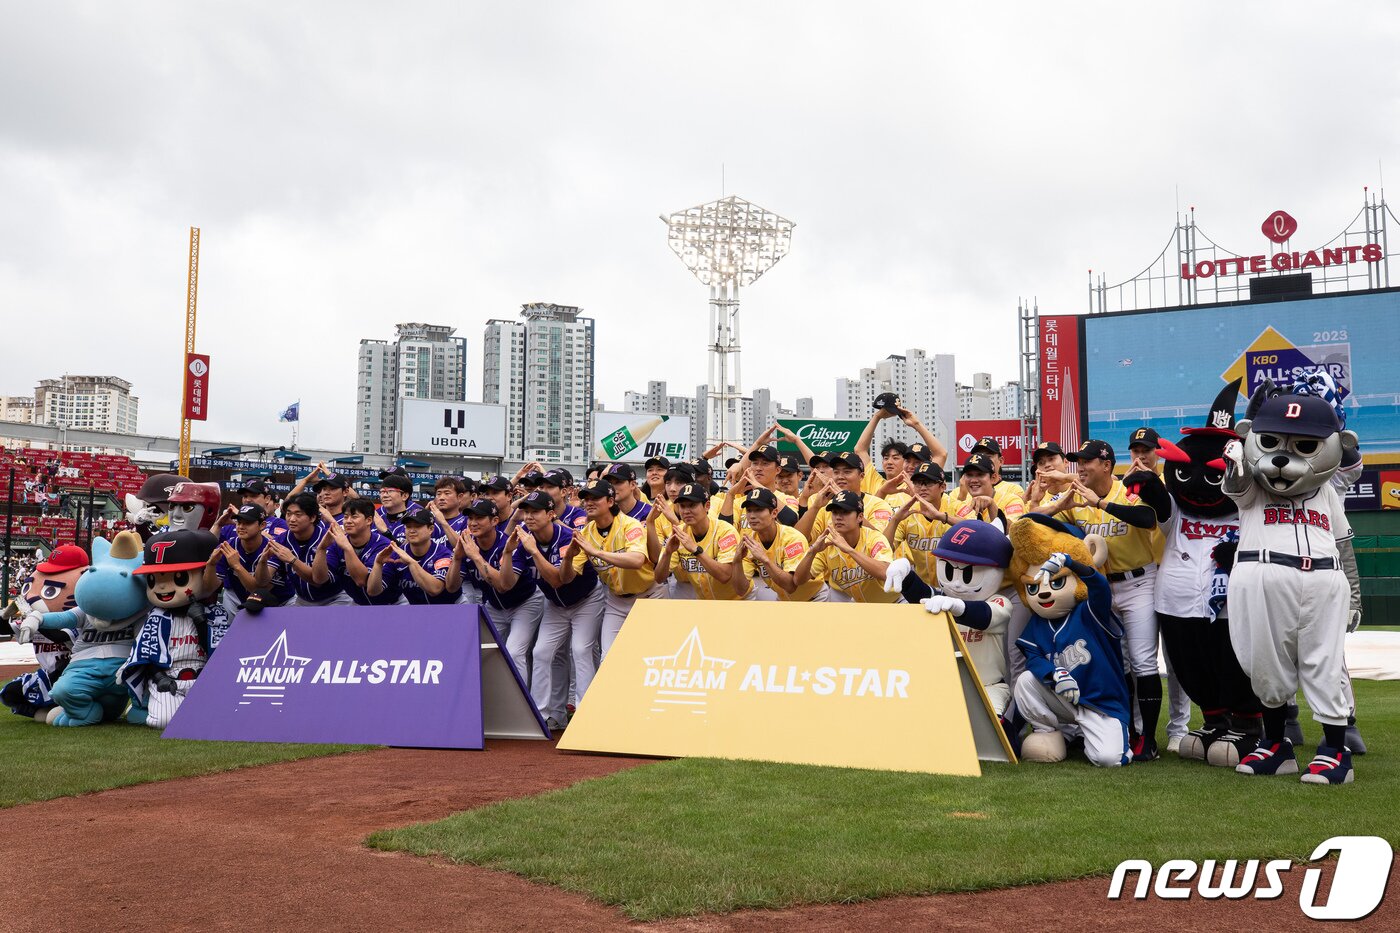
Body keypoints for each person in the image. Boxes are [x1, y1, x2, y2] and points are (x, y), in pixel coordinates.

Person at [1056, 439, 1165, 761]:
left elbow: (1149, 518)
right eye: (1077, 462)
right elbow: (1039, 525)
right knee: (1120, 664)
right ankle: (1127, 730)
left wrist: (1100, 505)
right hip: (1102, 589)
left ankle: (1149, 738)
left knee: (1144, 662)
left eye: (1086, 461)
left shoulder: (1128, 491)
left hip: (1140, 582)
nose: (1080, 468)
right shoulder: (1078, 500)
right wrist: (1053, 505)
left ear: (1106, 465)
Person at [506, 490, 605, 731]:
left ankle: (585, 715)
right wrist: (508, 553)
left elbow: (559, 580)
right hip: (555, 605)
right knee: (540, 653)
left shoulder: (566, 537)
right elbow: (507, 583)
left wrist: (534, 552)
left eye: (535, 512)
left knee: (580, 650)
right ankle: (542, 715)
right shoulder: (525, 541)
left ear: (551, 514)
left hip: (587, 599)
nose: (528, 517)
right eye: (526, 512)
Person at [559, 479, 658, 659]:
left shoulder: (630, 525)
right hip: (616, 600)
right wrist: (568, 558)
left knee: (649, 655)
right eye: (586, 499)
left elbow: (637, 560)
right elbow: (566, 578)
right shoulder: (586, 533)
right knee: (608, 658)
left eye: (595, 498)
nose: (589, 503)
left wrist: (596, 552)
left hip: (649, 594)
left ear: (610, 501)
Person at [449, 498, 543, 678]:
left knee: (514, 652)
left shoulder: (508, 544)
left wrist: (476, 557)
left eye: (480, 518)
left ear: (494, 521)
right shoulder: (468, 545)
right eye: (470, 518)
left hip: (525, 602)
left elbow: (503, 586)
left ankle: (520, 705)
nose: (473, 523)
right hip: (494, 606)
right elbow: (452, 587)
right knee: (481, 650)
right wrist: (457, 558)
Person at [793, 491, 898, 603]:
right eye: (835, 512)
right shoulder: (827, 543)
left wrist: (849, 550)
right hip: (862, 606)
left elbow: (885, 572)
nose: (838, 517)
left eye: (845, 512)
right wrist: (812, 551)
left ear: (860, 517)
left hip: (894, 603)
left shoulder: (873, 537)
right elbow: (798, 580)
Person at [729, 488, 827, 601]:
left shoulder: (792, 538)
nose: (752, 516)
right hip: (783, 599)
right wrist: (736, 562)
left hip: (814, 598)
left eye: (758, 510)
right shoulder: (749, 541)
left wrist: (764, 559)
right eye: (749, 510)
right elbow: (741, 590)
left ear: (774, 513)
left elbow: (791, 586)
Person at [259, 493, 350, 606]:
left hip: (335, 599)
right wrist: (262, 562)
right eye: (288, 514)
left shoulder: (328, 539)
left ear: (312, 517)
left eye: (298, 514)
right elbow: (262, 582)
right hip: (302, 600)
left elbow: (319, 581)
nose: (292, 519)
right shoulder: (282, 539)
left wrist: (292, 560)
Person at [653, 483, 740, 600]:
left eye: (692, 505)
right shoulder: (679, 532)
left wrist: (696, 550)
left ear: (707, 506)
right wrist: (667, 554)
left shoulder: (725, 531)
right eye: (682, 506)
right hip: (704, 600)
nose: (686, 511)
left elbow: (725, 576)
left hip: (737, 600)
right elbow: (659, 578)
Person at [795, 451, 895, 542]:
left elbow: (882, 541)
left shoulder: (877, 504)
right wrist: (815, 508)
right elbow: (800, 539)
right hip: (829, 561)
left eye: (847, 472)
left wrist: (845, 499)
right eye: (836, 472)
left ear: (861, 476)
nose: (840, 476)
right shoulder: (821, 502)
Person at [211, 504, 292, 615]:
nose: (241, 527)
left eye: (247, 523)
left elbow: (258, 590)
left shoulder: (273, 548)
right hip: (244, 601)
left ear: (262, 525)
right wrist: (210, 565)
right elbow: (208, 589)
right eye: (239, 522)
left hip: (282, 603)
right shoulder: (228, 546)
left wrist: (237, 566)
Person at [885, 462, 952, 584]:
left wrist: (941, 516)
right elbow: (884, 549)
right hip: (924, 587)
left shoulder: (955, 506)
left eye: (928, 482)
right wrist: (895, 520)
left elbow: (976, 530)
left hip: (956, 586)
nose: (922, 487)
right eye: (917, 483)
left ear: (942, 487)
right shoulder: (908, 513)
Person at [325, 498, 399, 606]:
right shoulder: (338, 543)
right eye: (345, 517)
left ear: (369, 520)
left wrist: (347, 548)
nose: (348, 521)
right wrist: (321, 549)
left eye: (354, 516)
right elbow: (319, 579)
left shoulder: (384, 545)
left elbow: (362, 581)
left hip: (391, 604)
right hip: (358, 603)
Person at [373, 510, 454, 605]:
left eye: (417, 526)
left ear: (431, 529)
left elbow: (435, 589)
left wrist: (412, 563)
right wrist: (377, 565)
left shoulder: (443, 554)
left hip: (451, 607)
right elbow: (373, 591)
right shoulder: (397, 554)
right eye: (408, 526)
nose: (412, 530)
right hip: (416, 610)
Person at [944, 454, 1023, 526]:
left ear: (993, 478)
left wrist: (991, 505)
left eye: (980, 475)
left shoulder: (1011, 500)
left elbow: (1011, 532)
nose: (973, 480)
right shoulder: (963, 505)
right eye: (969, 475)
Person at [375, 471, 420, 544]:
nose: (385, 495)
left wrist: (386, 533)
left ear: (404, 496)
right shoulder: (375, 520)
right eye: (382, 491)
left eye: (390, 491)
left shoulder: (415, 523)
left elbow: (408, 553)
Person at [428, 476, 470, 551]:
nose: (441, 498)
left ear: (460, 497)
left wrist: (443, 522)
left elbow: (464, 549)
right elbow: (406, 547)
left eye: (447, 493)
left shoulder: (467, 521)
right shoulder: (429, 521)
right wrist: (421, 517)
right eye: (438, 494)